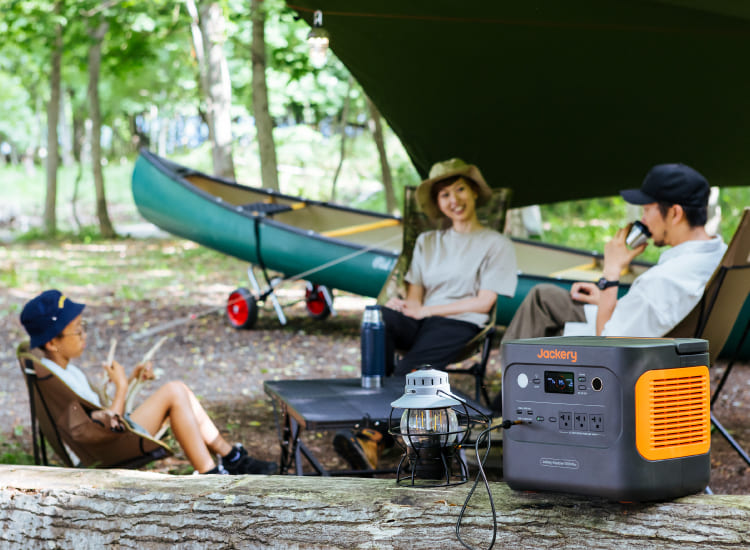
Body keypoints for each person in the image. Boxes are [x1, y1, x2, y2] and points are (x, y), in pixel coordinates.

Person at [334, 158, 518, 470]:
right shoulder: (427, 241)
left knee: (410, 371)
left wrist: (425, 310)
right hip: (423, 319)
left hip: (462, 322)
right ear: (438, 203)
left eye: (460, 189)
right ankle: (374, 417)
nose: (454, 200)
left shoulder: (496, 243)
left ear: (474, 193)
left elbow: (483, 303)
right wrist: (403, 306)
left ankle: (374, 437)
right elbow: (416, 297)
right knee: (377, 319)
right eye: (445, 194)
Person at [20, 289, 277, 475]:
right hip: (102, 452)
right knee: (175, 391)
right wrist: (121, 387)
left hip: (106, 441)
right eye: (77, 330)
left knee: (181, 391)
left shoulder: (61, 370)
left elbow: (95, 413)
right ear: (52, 342)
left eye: (82, 326)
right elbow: (106, 426)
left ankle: (229, 457)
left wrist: (131, 379)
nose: (83, 335)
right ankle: (212, 476)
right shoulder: (57, 377)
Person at [502, 162, 728, 342]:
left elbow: (608, 344)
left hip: (617, 358)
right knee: (544, 297)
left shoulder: (661, 281)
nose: (643, 219)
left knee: (539, 319)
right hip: (649, 336)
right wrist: (607, 300)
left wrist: (611, 272)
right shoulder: (720, 255)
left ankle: (508, 397)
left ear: (675, 213)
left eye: (648, 209)